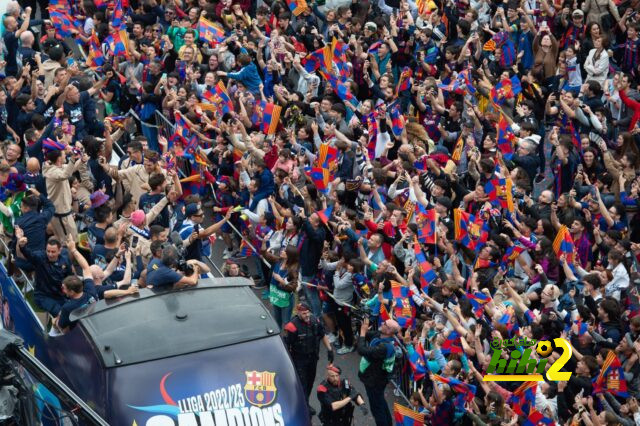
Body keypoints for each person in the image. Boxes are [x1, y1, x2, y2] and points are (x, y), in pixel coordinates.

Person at [283, 303, 334, 416]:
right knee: (302, 385)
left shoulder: (315, 320)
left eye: (307, 312)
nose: (306, 315)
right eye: (303, 313)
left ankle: (305, 403)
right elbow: (286, 346)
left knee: (310, 383)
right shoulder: (292, 326)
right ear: (298, 313)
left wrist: (329, 349)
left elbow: (322, 334)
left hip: (313, 358)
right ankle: (304, 409)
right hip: (299, 360)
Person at [356, 317, 400, 426]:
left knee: (377, 408)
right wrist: (362, 324)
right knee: (380, 402)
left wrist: (362, 331)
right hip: (375, 378)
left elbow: (362, 350)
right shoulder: (379, 334)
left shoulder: (385, 347)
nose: (382, 323)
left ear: (389, 331)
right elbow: (366, 334)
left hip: (375, 381)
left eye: (385, 324)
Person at [145, 245, 209, 289]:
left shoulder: (154, 261)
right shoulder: (168, 273)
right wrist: (196, 269)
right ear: (173, 262)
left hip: (153, 290)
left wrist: (196, 261)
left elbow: (207, 270)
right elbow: (193, 281)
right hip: (160, 295)